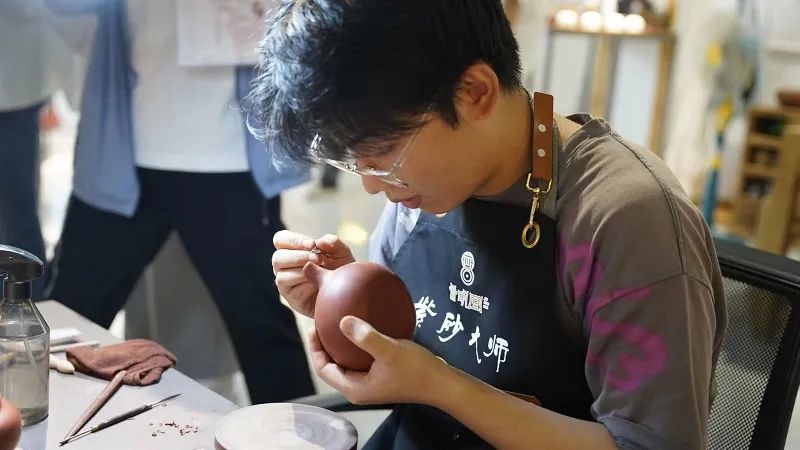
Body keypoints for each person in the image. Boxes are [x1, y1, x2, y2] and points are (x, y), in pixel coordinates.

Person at [258, 1, 726, 449]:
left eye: (382, 158)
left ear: (474, 93)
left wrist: (439, 385)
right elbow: (411, 348)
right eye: (353, 161)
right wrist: (348, 303)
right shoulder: (420, 187)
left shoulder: (623, 217)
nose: (372, 187)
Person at [44, 0, 315, 404]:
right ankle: (28, 416)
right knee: (69, 311)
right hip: (126, 160)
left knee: (262, 324)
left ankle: (301, 430)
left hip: (230, 159)